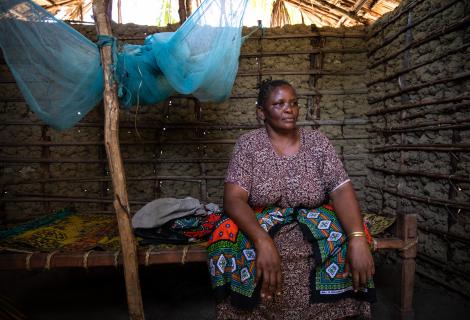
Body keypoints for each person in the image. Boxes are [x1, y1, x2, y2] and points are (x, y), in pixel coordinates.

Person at [207, 79, 375, 319]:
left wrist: (357, 238)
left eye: (294, 103)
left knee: (349, 237)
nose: (290, 109)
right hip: (262, 221)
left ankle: (336, 310)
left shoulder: (318, 143)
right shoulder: (249, 145)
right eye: (279, 103)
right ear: (261, 113)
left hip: (311, 219)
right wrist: (262, 240)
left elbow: (340, 189)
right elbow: (234, 199)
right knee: (229, 238)